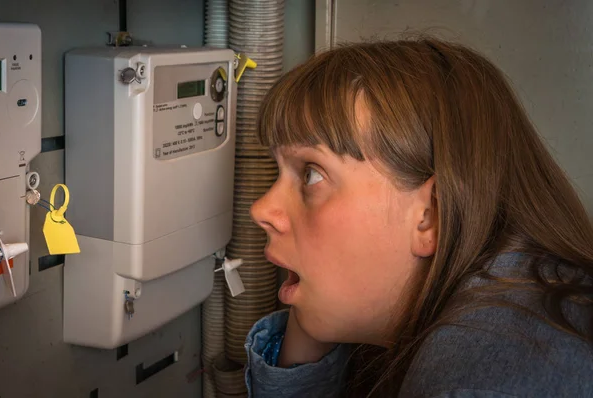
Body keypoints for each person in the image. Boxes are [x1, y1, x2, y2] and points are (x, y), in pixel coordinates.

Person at [243, 37, 593, 397]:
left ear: (430, 216)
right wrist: (309, 324)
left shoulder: (487, 381)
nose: (262, 210)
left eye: (311, 175)